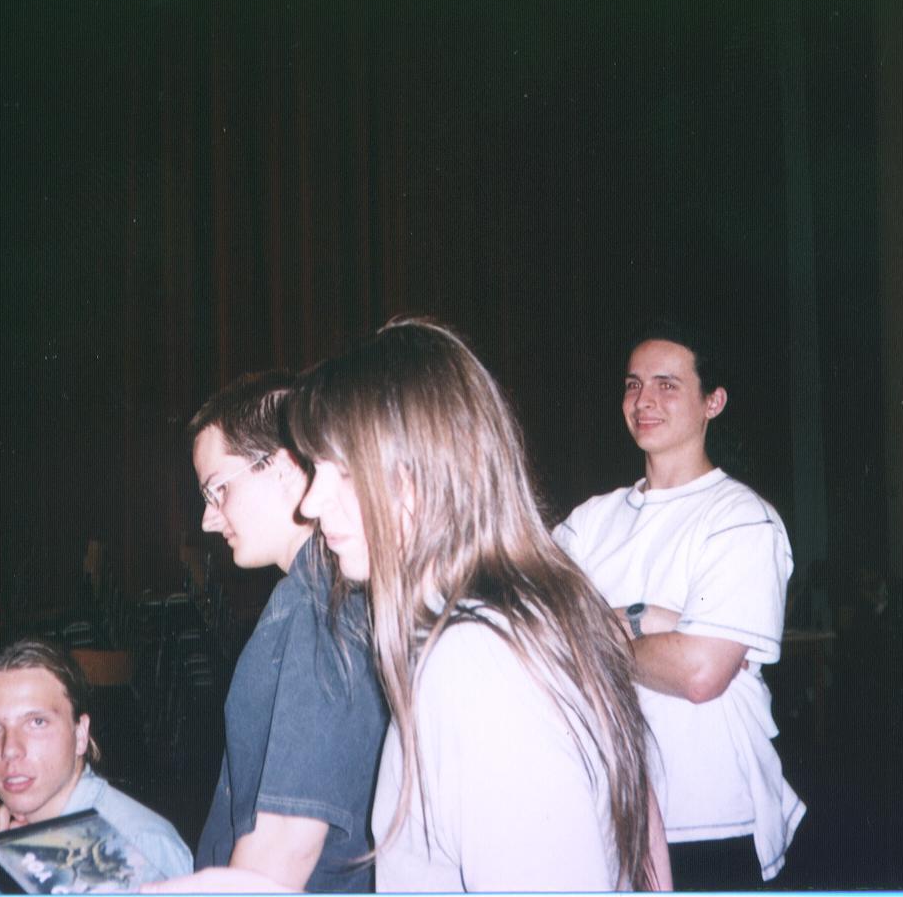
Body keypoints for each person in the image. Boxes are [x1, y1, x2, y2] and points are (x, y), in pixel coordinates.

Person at [289, 318, 668, 891]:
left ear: (425, 475)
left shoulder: (475, 664)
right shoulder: (524, 617)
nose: (311, 503)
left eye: (341, 470)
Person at [553, 318, 805, 888]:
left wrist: (601, 632)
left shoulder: (741, 518)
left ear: (713, 402)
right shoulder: (590, 521)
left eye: (666, 385)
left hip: (711, 817)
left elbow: (699, 673)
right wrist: (656, 624)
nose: (643, 401)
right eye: (633, 384)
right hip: (606, 813)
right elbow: (536, 627)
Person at [186, 371, 389, 891]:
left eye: (218, 489)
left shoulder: (318, 603)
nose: (208, 520)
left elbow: (284, 849)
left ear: (282, 469)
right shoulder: (319, 595)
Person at [0, 638, 192, 894]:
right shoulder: (5, 841)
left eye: (37, 722)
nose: (9, 749)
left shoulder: (138, 848)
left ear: (80, 735)